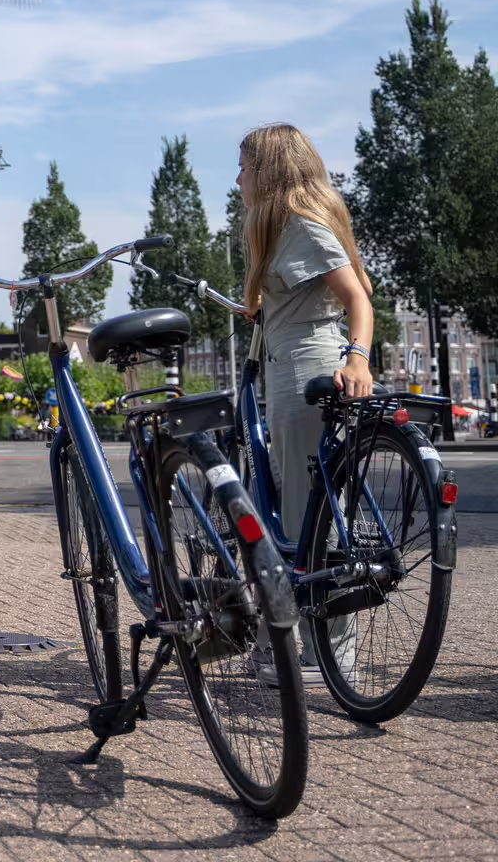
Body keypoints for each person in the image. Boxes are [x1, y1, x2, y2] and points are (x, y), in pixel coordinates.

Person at [238, 122, 373, 682]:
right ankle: (303, 645)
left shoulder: (299, 223)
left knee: (305, 516)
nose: (238, 177)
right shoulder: (283, 226)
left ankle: (325, 654)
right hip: (287, 368)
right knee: (308, 508)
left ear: (268, 170)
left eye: (244, 166)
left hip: (305, 373)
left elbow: (356, 297)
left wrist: (358, 357)